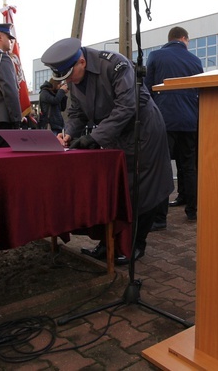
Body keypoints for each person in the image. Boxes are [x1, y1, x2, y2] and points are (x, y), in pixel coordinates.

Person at [42, 38, 173, 265]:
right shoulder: (73, 75)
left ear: (81, 62)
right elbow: (76, 112)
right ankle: (110, 244)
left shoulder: (115, 65)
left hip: (142, 131)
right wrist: (69, 134)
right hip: (113, 134)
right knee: (116, 190)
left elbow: (126, 106)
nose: (68, 82)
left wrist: (94, 137)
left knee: (141, 191)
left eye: (69, 76)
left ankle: (135, 245)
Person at [144, 26, 204, 229]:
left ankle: (160, 218)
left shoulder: (156, 56)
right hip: (190, 120)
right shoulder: (195, 60)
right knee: (189, 166)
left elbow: (148, 88)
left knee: (162, 167)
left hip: (164, 119)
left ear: (169, 39)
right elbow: (200, 90)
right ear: (184, 39)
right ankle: (193, 209)